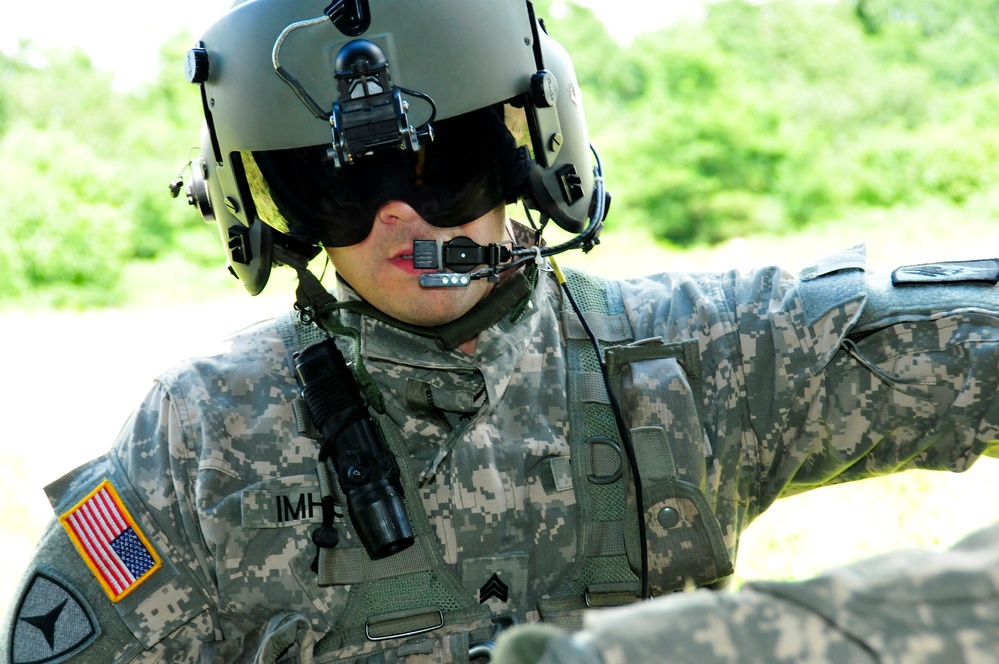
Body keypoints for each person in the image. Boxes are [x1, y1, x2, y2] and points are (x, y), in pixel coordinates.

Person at [4, 0, 999, 662]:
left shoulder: (699, 356)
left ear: (532, 152)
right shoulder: (201, 439)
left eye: (444, 164)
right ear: (279, 210)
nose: (402, 213)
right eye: (342, 184)